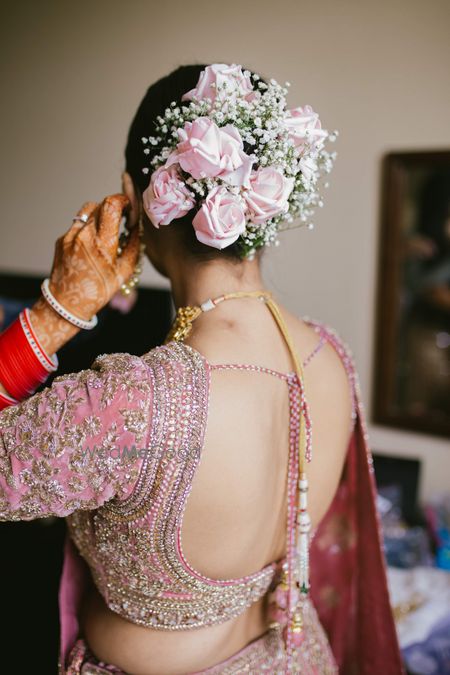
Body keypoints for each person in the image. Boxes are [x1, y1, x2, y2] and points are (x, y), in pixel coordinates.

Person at [0, 63, 403, 674]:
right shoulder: (331, 358)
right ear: (268, 201)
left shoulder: (133, 401)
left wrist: (56, 313)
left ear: (135, 201)